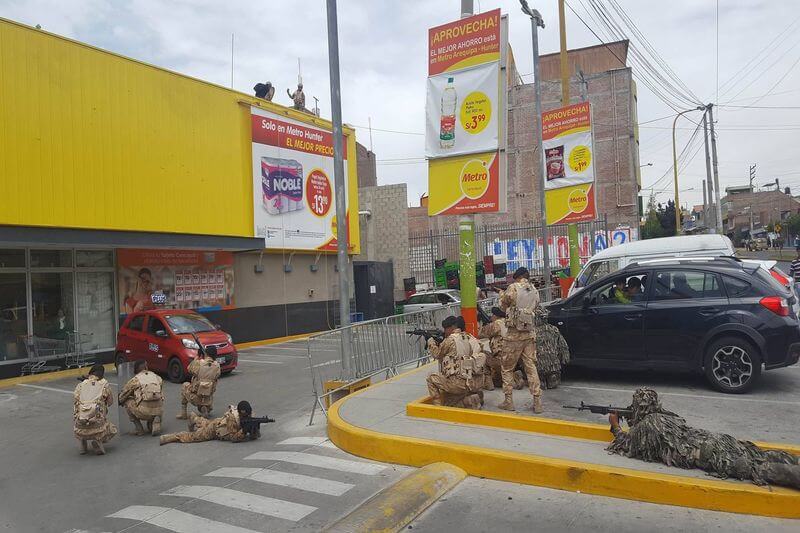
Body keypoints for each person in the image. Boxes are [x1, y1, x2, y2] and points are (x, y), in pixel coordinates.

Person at [608, 388, 800, 489]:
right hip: (717, 440)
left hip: (710, 454)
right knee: (760, 455)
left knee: (757, 469)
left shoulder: (648, 426)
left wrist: (616, 425)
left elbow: (628, 445)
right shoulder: (665, 416)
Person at [498, 267, 543, 413]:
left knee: (507, 368)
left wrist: (500, 294)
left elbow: (503, 306)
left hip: (513, 336)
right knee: (531, 367)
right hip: (529, 334)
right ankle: (537, 402)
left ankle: (508, 401)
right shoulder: (534, 290)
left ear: (517, 277)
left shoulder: (513, 288)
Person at [426, 315, 484, 409]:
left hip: (458, 383)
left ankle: (438, 408)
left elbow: (437, 354)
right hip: (472, 382)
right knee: (450, 400)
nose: (445, 331)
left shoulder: (450, 339)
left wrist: (430, 342)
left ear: (452, 327)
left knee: (430, 378)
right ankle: (474, 398)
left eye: (446, 328)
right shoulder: (470, 337)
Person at [160, 400, 257, 445]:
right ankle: (170, 437)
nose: (246, 416)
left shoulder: (250, 415)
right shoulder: (232, 418)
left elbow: (255, 436)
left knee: (205, 423)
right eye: (243, 415)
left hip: (218, 422)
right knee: (194, 437)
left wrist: (255, 428)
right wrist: (244, 431)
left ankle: (194, 417)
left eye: (247, 415)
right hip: (215, 430)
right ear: (239, 413)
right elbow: (233, 438)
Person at [73, 364, 117, 455]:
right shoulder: (104, 384)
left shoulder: (80, 385)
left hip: (80, 424)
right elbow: (110, 402)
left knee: (80, 416)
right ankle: (98, 441)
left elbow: (76, 400)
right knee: (112, 429)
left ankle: (82, 446)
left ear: (90, 373)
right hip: (97, 423)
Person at [119, 360, 164, 436]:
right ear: (146, 367)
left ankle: (139, 429)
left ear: (136, 369)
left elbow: (123, 396)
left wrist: (121, 400)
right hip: (159, 409)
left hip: (144, 412)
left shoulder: (135, 380)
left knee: (127, 401)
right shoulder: (157, 377)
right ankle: (154, 421)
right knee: (156, 398)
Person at [177, 346, 221, 419]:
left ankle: (183, 413)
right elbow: (216, 375)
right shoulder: (217, 366)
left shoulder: (199, 363)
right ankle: (206, 407)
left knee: (185, 385)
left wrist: (197, 357)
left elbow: (189, 369)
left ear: (206, 354)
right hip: (208, 398)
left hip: (195, 397)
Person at [532, 307, 570, 389]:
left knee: (539, 379)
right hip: (553, 362)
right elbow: (563, 345)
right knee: (553, 378)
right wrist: (565, 357)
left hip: (539, 363)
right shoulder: (554, 329)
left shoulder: (533, 331)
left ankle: (542, 380)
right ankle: (552, 378)